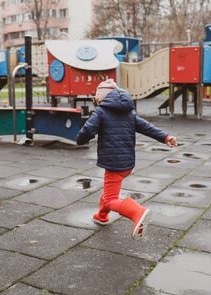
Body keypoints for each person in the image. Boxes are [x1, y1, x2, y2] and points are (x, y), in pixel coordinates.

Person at [76, 79, 177, 240]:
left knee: (110, 199)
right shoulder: (129, 112)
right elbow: (146, 127)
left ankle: (138, 212)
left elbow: (88, 129)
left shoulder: (101, 111)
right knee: (109, 192)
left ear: (101, 98)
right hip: (127, 163)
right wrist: (166, 137)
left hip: (114, 163)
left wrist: (80, 139)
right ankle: (101, 216)